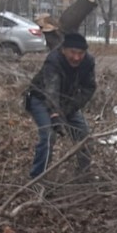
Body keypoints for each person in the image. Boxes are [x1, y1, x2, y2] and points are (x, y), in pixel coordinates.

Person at [25, 32, 96, 179]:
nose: (76, 58)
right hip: (41, 99)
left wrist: (70, 108)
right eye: (73, 52)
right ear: (63, 50)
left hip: (66, 101)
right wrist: (55, 116)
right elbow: (51, 91)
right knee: (49, 136)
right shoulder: (53, 61)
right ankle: (37, 179)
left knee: (84, 135)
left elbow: (89, 88)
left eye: (81, 53)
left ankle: (83, 175)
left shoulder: (88, 62)